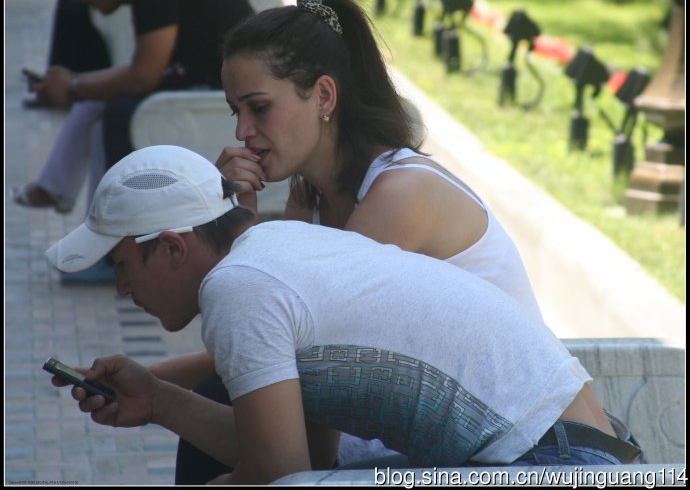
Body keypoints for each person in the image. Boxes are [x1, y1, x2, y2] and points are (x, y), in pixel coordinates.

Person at [45, 145, 642, 485]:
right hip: (588, 447)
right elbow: (306, 459)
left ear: (173, 246)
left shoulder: (239, 288)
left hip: (558, 464)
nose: (121, 289)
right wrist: (157, 399)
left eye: (122, 265)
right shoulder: (283, 248)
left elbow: (278, 476)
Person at [158, 0, 544, 481]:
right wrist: (148, 387)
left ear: (323, 96)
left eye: (259, 107)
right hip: (434, 439)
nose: (242, 133)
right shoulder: (311, 199)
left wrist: (234, 231)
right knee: (229, 400)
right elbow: (265, 340)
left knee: (237, 408)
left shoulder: (399, 194)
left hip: (512, 454)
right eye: (237, 111)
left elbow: (273, 338)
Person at [12, 0, 253, 281]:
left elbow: (142, 76)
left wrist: (76, 87)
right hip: (203, 83)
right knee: (103, 103)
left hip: (219, 95)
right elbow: (141, 70)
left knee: (119, 113)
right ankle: (70, 203)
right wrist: (73, 84)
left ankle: (112, 251)